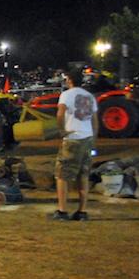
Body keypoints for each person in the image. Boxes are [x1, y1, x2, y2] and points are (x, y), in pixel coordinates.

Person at [51, 68, 99, 221]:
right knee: (83, 175)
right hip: (87, 137)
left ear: (69, 80)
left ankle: (62, 210)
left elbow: (60, 114)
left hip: (72, 138)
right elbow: (95, 120)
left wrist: (62, 130)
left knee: (62, 175)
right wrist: (93, 138)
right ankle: (82, 211)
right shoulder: (90, 96)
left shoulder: (66, 95)